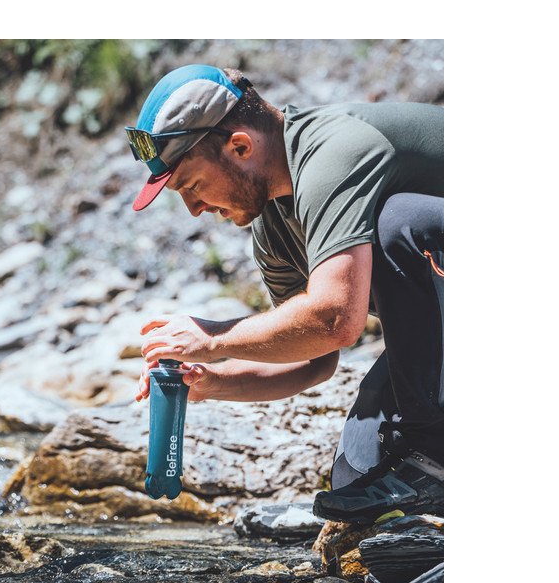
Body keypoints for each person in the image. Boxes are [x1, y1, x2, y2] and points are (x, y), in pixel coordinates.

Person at [127, 64, 443, 525]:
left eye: (191, 186)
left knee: (400, 223)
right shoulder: (273, 228)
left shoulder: (333, 153)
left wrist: (212, 338)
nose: (193, 209)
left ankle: (436, 460)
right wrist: (211, 379)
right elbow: (314, 357)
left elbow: (335, 321)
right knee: (355, 483)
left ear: (240, 146)